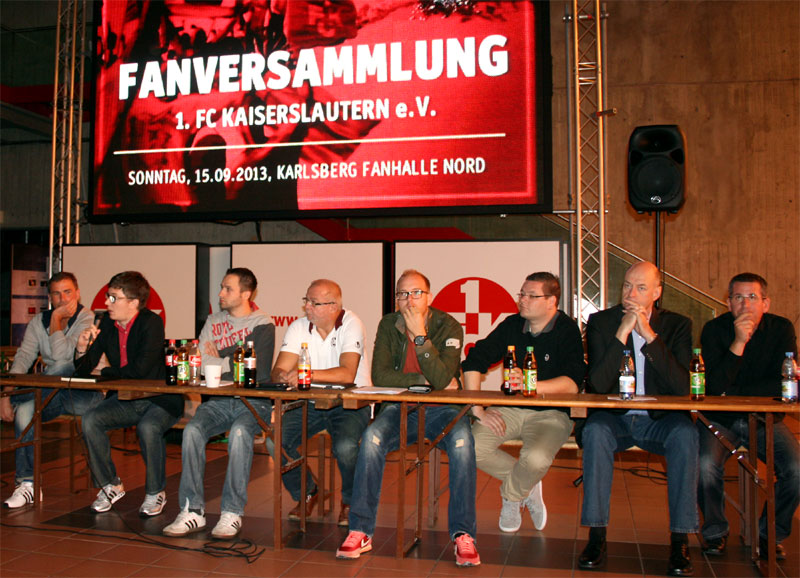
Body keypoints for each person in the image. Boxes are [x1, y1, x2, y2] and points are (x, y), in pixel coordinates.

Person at [337, 270, 481, 567]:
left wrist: (420, 337)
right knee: (372, 439)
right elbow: (380, 376)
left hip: (444, 409)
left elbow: (444, 377)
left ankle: (463, 534)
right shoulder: (389, 324)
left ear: (429, 296)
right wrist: (424, 381)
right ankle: (360, 529)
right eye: (402, 293)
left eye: (416, 293)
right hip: (400, 407)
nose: (408, 300)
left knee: (464, 444)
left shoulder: (448, 325)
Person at [579, 261, 696, 576]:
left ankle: (680, 538)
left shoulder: (677, 325)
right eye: (627, 285)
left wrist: (649, 336)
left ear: (657, 293)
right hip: (616, 418)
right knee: (594, 432)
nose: (631, 293)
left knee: (686, 435)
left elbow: (682, 387)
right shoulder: (602, 322)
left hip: (660, 420)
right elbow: (598, 384)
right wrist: (623, 332)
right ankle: (596, 534)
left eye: (641, 287)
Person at [462, 272, 585, 533]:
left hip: (551, 412)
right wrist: (477, 409)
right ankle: (527, 483)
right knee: (470, 447)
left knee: (536, 458)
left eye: (531, 295)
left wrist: (531, 386)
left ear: (552, 301)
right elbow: (473, 361)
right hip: (510, 409)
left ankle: (513, 496)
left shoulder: (567, 329)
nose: (522, 300)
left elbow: (573, 382)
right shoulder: (511, 325)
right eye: (521, 294)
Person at [163, 268, 275, 538]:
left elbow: (255, 373)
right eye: (222, 287)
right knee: (191, 431)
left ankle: (232, 512)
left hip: (253, 401)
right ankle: (192, 510)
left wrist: (221, 355)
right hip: (219, 400)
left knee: (239, 434)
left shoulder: (263, 324)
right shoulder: (212, 321)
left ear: (246, 294)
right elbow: (201, 365)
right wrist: (234, 357)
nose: (220, 293)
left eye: (228, 289)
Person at [697, 273, 799, 561]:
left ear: (765, 303)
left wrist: (735, 391)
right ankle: (715, 532)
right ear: (728, 303)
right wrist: (738, 343)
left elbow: (784, 382)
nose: (745, 304)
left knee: (797, 471)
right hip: (720, 419)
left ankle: (770, 534)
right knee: (704, 465)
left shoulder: (781, 329)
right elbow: (714, 388)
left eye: (752, 297)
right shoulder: (714, 330)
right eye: (738, 297)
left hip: (766, 418)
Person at [76, 271, 182, 517]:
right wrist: (82, 348)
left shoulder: (151, 323)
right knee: (91, 419)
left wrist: (106, 370)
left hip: (160, 399)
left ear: (133, 302)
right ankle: (110, 484)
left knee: (148, 427)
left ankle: (156, 491)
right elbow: (83, 370)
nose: (106, 303)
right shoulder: (107, 326)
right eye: (107, 297)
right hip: (127, 399)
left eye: (114, 298)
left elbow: (139, 370)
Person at [271, 279, 371, 527]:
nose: (307, 307)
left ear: (334, 305)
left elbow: (347, 374)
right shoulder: (298, 327)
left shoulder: (351, 324)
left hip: (351, 403)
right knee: (275, 441)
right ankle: (307, 491)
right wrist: (284, 376)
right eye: (305, 301)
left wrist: (306, 373)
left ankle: (349, 500)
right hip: (310, 402)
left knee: (346, 447)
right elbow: (278, 370)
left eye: (314, 303)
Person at [2, 272, 102, 508]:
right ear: (50, 297)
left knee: (62, 365)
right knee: (26, 410)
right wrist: (6, 393)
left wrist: (56, 320)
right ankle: (28, 484)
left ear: (77, 293)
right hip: (50, 395)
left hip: (85, 395)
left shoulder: (89, 319)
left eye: (68, 292)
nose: (63, 298)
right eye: (56, 293)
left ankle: (23, 397)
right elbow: (23, 357)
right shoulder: (39, 322)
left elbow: (63, 357)